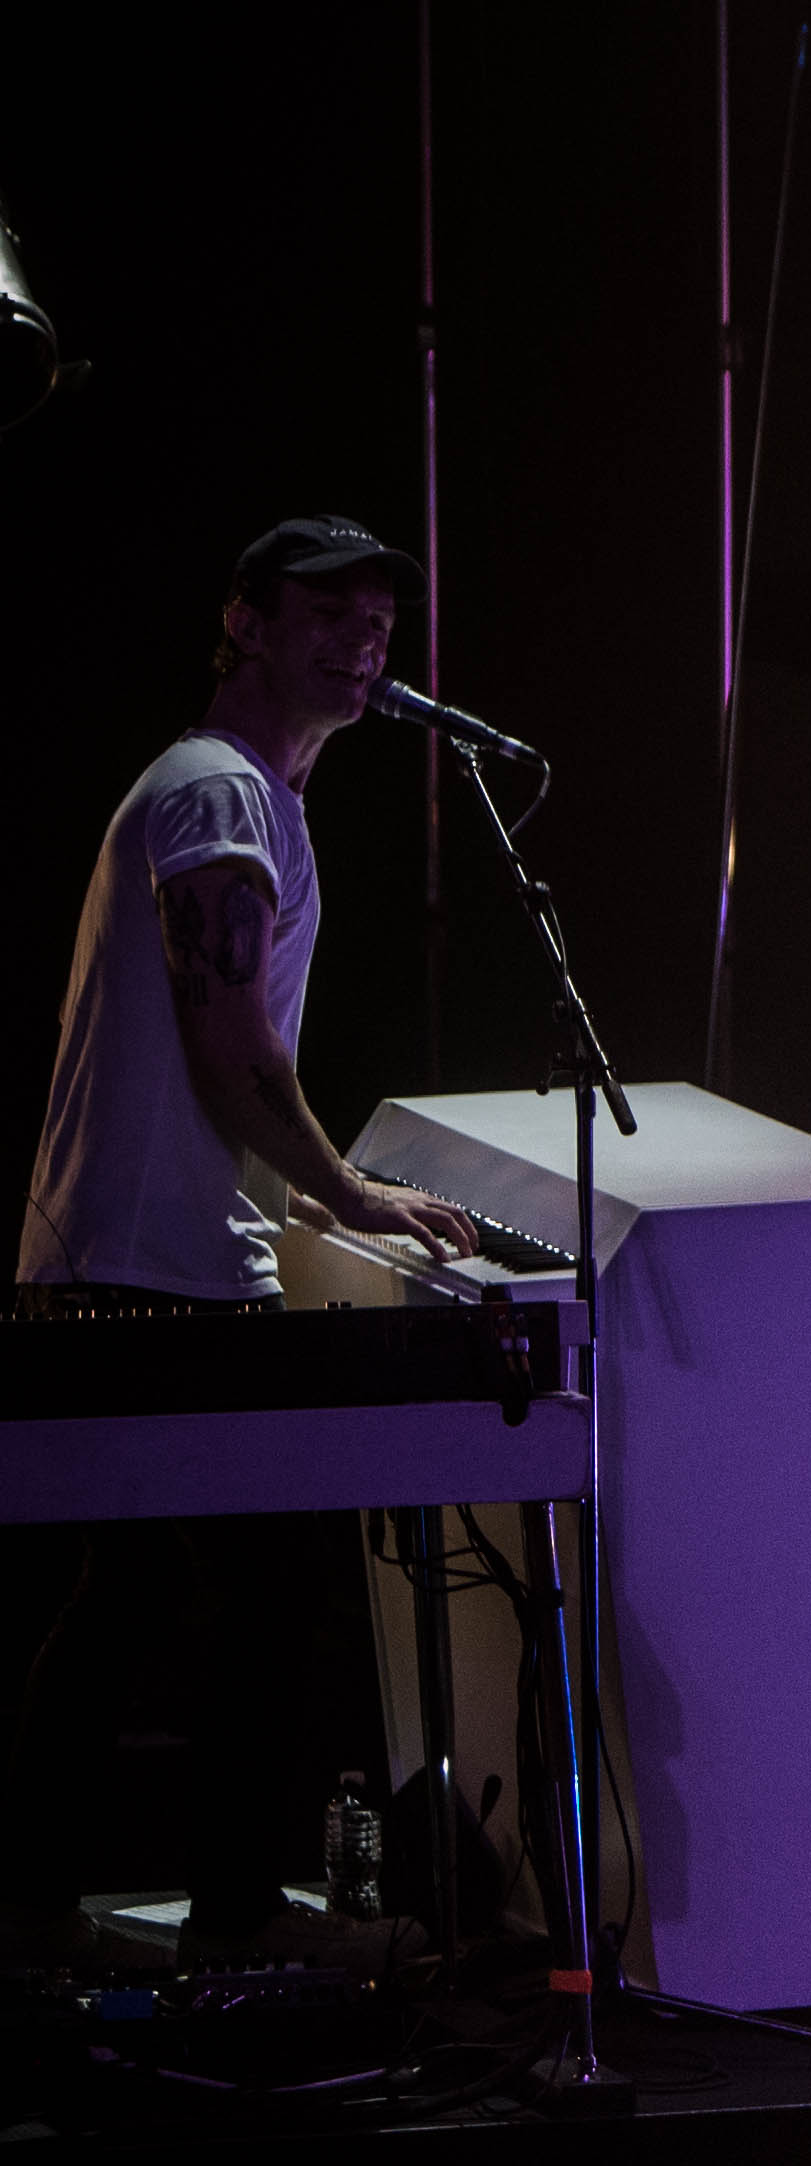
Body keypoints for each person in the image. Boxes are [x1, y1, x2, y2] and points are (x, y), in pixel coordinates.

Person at [10, 516, 482, 1971]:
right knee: (268, 1593)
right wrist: (352, 1200)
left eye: (382, 622)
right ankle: (227, 1916)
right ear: (246, 625)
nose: (363, 640)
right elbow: (229, 1046)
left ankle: (35, 1909)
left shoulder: (241, 796)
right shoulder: (219, 797)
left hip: (124, 1260)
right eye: (327, 613)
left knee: (136, 1597)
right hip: (154, 1275)